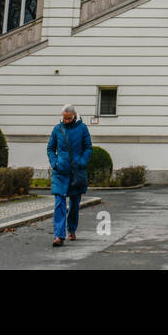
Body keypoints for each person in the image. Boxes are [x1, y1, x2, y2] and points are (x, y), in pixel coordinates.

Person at [46, 104, 93, 247]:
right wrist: (55, 163)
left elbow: (88, 147)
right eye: (64, 118)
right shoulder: (57, 129)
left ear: (74, 115)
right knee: (59, 203)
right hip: (60, 172)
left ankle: (71, 229)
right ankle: (59, 236)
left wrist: (82, 162)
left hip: (76, 173)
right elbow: (50, 148)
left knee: (74, 204)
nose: (66, 120)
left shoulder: (82, 128)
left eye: (69, 118)